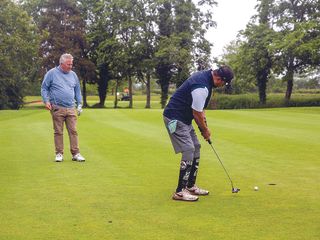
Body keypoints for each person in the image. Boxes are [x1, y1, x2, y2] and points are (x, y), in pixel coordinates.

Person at [163, 66, 234, 201]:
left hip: (184, 118)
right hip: (174, 117)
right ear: (219, 78)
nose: (222, 86)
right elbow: (196, 114)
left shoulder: (207, 80)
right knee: (189, 148)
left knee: (196, 146)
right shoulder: (201, 86)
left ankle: (190, 186)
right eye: (224, 83)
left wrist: (205, 127)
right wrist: (205, 130)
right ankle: (179, 192)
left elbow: (200, 111)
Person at [41, 53, 85, 162]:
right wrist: (46, 101)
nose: (70, 66)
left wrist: (79, 104)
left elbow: (77, 90)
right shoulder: (51, 73)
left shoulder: (73, 75)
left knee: (73, 131)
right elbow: (44, 88)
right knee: (58, 132)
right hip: (57, 107)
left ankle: (76, 154)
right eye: (68, 64)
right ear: (61, 64)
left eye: (71, 64)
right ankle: (59, 154)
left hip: (71, 107)